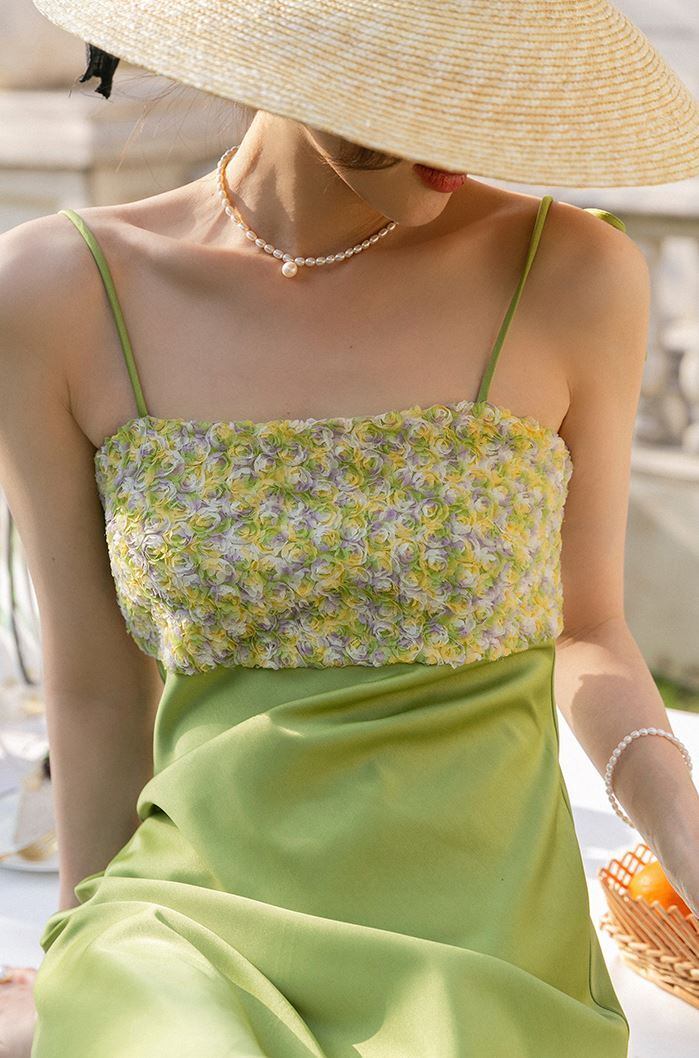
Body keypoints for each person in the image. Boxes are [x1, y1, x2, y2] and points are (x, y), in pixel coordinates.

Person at [1, 1, 699, 1055]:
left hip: (474, 932)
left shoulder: (570, 275)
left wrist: (682, 835)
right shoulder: (57, 293)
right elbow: (98, 688)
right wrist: (82, 971)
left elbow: (586, 626)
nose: (459, 123)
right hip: (184, 921)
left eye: (484, 71)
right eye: (411, 71)